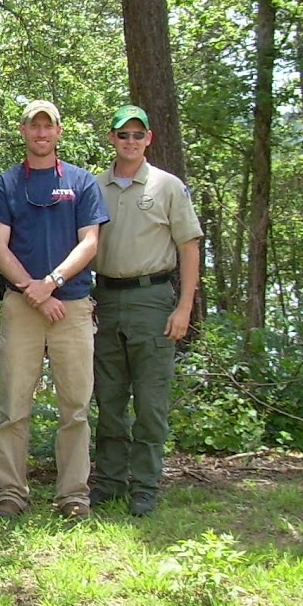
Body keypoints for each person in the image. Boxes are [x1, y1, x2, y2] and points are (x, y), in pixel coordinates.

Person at [0, 100, 108, 520]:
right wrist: (32, 290)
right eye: (33, 126)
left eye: (47, 126)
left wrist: (51, 283)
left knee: (75, 406)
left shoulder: (81, 181)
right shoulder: (5, 184)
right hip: (22, 306)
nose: (40, 133)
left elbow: (89, 242)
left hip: (71, 307)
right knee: (14, 405)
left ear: (58, 131)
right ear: (22, 131)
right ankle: (10, 494)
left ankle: (73, 494)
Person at [91, 105, 202, 516]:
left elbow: (189, 248)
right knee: (109, 396)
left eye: (138, 135)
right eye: (124, 135)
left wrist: (184, 307)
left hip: (153, 299)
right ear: (112, 138)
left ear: (149, 139)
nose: (131, 141)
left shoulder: (167, 186)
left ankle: (146, 485)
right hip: (104, 298)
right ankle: (110, 481)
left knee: (151, 401)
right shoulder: (93, 186)